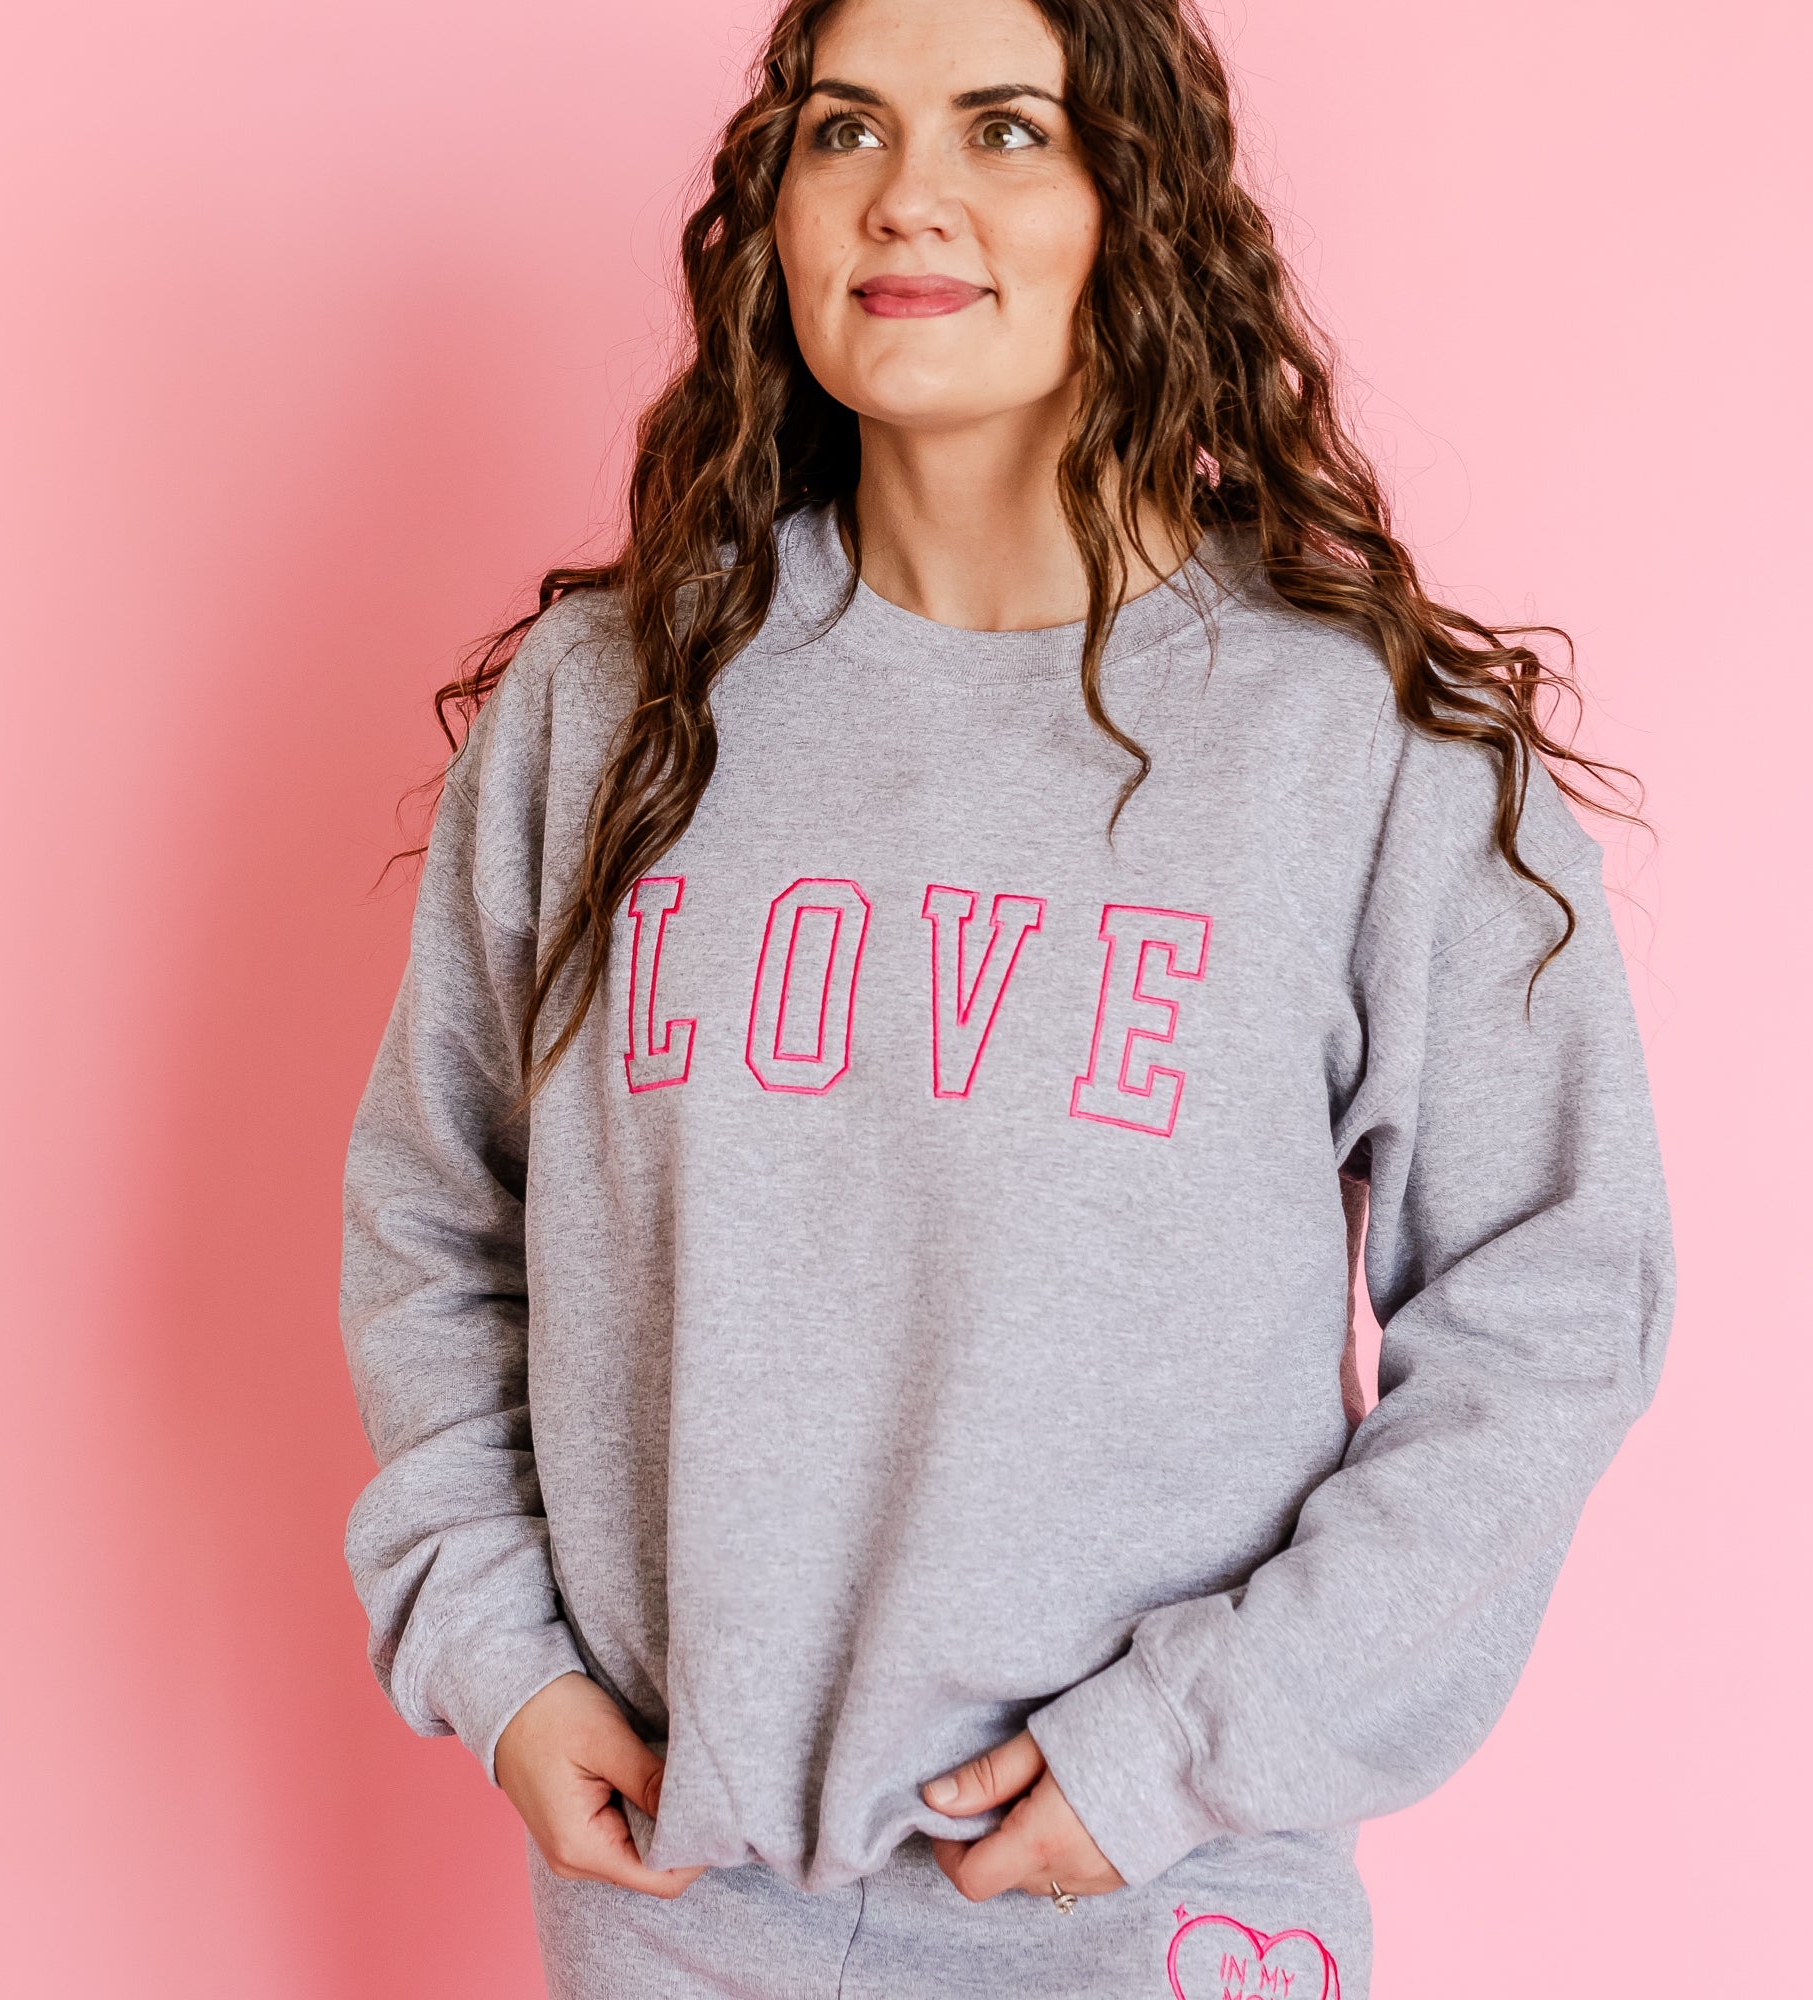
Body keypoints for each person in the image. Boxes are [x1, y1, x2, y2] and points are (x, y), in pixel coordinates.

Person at [338, 0, 1675, 1992]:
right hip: (679, 1914)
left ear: (1137, 202)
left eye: (1004, 128)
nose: (908, 196)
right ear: (774, 211)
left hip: (1156, 1895)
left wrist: (1188, 1744)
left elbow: (1549, 1306)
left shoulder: (1356, 745)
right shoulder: (607, 712)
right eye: (844, 129)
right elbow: (438, 1220)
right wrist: (497, 1652)